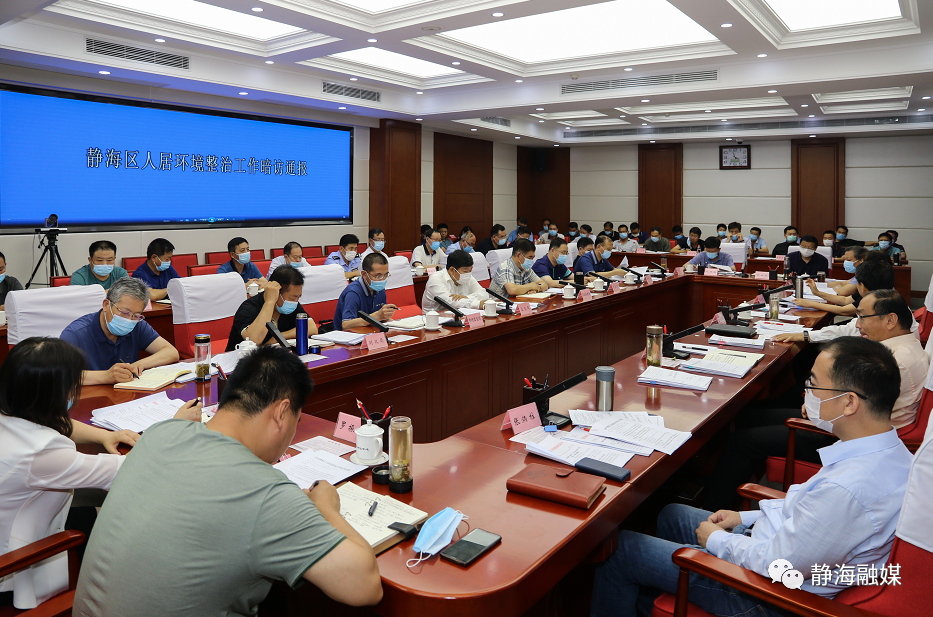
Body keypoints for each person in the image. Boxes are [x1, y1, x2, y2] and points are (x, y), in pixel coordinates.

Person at [597, 337, 912, 617]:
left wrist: (717, 540)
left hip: (770, 595)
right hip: (776, 550)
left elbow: (780, 563)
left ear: (849, 402)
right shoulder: (886, 451)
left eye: (814, 385)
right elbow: (805, 512)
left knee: (620, 551)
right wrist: (743, 517)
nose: (808, 393)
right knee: (671, 514)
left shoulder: (848, 488)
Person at [72, 346, 383, 617]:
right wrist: (326, 508)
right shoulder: (266, 493)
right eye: (296, 420)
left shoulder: (159, 433)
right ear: (282, 413)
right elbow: (365, 587)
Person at [0, 338, 199, 610]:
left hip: (21, 520)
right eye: (71, 386)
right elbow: (126, 470)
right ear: (51, 395)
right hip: (19, 558)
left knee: (92, 513)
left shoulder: (13, 412)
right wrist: (174, 426)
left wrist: (105, 435)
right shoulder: (42, 451)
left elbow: (57, 422)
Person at [703, 292, 926, 512]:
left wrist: (816, 404)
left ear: (890, 320)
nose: (858, 325)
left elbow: (855, 407)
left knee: (740, 442)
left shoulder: (897, 361)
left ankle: (710, 510)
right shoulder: (903, 348)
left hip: (846, 436)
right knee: (750, 416)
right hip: (850, 424)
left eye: (862, 317)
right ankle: (725, 479)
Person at [60, 277, 179, 385]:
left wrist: (140, 364)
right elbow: (60, 375)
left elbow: (171, 352)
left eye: (136, 315)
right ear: (106, 305)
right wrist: (106, 376)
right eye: (124, 313)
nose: (129, 320)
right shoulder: (75, 334)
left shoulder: (137, 325)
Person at [226, 266, 318, 351]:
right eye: (293, 297)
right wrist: (270, 301)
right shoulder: (248, 308)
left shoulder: (292, 304)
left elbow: (312, 328)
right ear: (276, 291)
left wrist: (277, 338)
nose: (295, 301)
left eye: (298, 297)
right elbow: (254, 341)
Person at [333, 253, 397, 330]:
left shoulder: (379, 288)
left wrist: (396, 324)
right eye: (378, 276)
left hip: (372, 331)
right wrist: (377, 316)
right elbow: (346, 325)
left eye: (386, 275)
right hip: (349, 334)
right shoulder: (353, 293)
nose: (382, 279)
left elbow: (382, 317)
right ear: (364, 274)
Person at [422, 249, 489, 313]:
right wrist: (478, 304)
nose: (468, 273)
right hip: (435, 317)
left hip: (460, 314)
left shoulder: (468, 276)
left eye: (470, 270)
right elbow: (451, 302)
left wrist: (467, 297)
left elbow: (484, 294)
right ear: (452, 270)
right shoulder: (436, 279)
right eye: (465, 271)